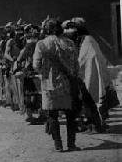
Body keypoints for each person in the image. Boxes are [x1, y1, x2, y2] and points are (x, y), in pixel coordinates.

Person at [33, 18, 80, 152]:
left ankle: (58, 145)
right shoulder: (70, 42)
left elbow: (36, 66)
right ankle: (71, 144)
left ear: (46, 30)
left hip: (50, 85)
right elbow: (76, 65)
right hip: (68, 83)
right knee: (70, 115)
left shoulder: (42, 44)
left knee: (52, 116)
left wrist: (45, 73)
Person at [71, 17, 119, 123]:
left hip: (92, 73)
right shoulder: (86, 40)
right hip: (90, 72)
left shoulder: (87, 40)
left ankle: (96, 124)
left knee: (92, 97)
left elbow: (87, 58)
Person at [17, 24, 45, 124]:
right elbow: (19, 59)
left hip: (38, 72)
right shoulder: (26, 49)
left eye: (34, 38)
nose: (32, 41)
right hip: (29, 73)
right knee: (28, 95)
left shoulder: (41, 48)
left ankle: (42, 114)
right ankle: (29, 114)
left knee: (40, 95)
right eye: (30, 38)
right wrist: (21, 69)